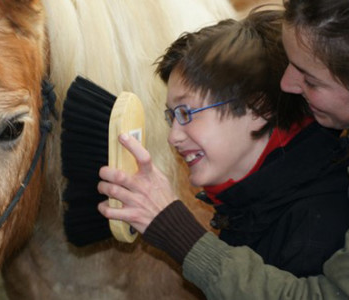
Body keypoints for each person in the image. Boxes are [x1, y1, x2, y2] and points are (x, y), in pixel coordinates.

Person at [98, 2, 349, 299]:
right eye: (171, 117)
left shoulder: (316, 225)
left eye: (187, 113)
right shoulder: (253, 204)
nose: (173, 137)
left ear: (259, 108)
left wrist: (175, 228)